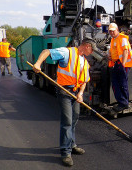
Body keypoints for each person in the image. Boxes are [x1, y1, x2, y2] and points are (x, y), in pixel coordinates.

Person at [32, 38, 97, 167]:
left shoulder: (84, 61)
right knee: (67, 121)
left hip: (75, 92)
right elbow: (46, 51)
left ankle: (72, 145)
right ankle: (65, 152)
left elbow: (84, 80)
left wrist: (80, 94)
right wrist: (38, 63)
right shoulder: (67, 52)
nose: (93, 52)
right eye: (92, 49)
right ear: (87, 46)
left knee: (75, 118)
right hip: (64, 91)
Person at [108, 23, 132, 112]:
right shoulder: (113, 39)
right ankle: (121, 102)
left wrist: (122, 64)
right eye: (110, 31)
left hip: (123, 64)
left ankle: (124, 103)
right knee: (116, 83)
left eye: (113, 31)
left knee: (122, 83)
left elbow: (125, 51)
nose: (111, 33)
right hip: (117, 63)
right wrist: (110, 57)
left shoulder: (122, 38)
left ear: (117, 30)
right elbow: (114, 51)